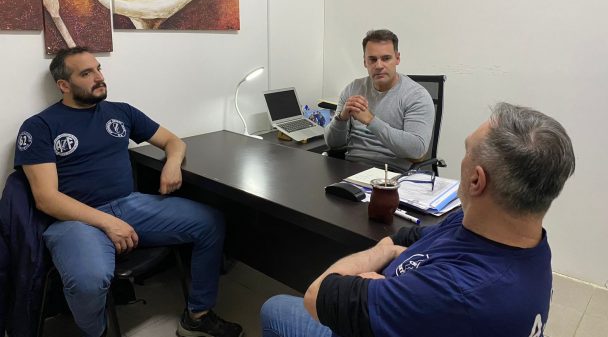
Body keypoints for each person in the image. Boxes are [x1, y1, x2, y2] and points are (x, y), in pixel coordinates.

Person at [261, 102, 575, 337]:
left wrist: (381, 260)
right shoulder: (499, 232)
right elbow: (411, 237)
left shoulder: (458, 294)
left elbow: (317, 295)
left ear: (477, 181)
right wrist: (392, 264)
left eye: (467, 151)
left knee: (274, 309)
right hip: (400, 309)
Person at [14, 47, 243, 337]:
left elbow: (173, 141)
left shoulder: (120, 111)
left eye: (98, 69)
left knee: (210, 222)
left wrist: (172, 164)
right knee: (89, 281)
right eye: (86, 73)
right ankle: (97, 332)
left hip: (131, 205)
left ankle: (197, 316)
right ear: (64, 85)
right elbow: (46, 198)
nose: (99, 77)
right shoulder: (39, 126)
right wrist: (108, 223)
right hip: (76, 220)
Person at [324, 29, 434, 172]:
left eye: (386, 58)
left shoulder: (417, 96)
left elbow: (417, 150)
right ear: (365, 62)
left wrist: (371, 121)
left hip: (392, 174)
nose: (379, 65)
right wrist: (341, 118)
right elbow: (333, 144)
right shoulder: (353, 89)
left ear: (397, 58)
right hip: (352, 169)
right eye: (373, 59)